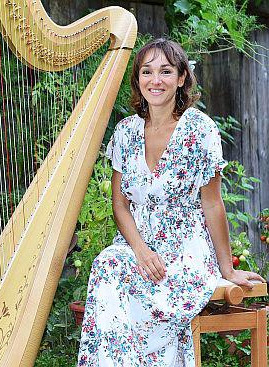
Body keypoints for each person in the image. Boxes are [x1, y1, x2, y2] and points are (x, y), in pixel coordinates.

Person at [76, 38, 264, 366]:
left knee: (156, 286)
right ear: (138, 81)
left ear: (181, 78)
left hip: (185, 248)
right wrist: (140, 249)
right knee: (108, 266)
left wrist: (227, 269)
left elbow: (212, 204)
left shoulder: (200, 130)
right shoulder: (125, 132)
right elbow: (120, 204)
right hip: (137, 244)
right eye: (147, 72)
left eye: (165, 71)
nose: (156, 80)